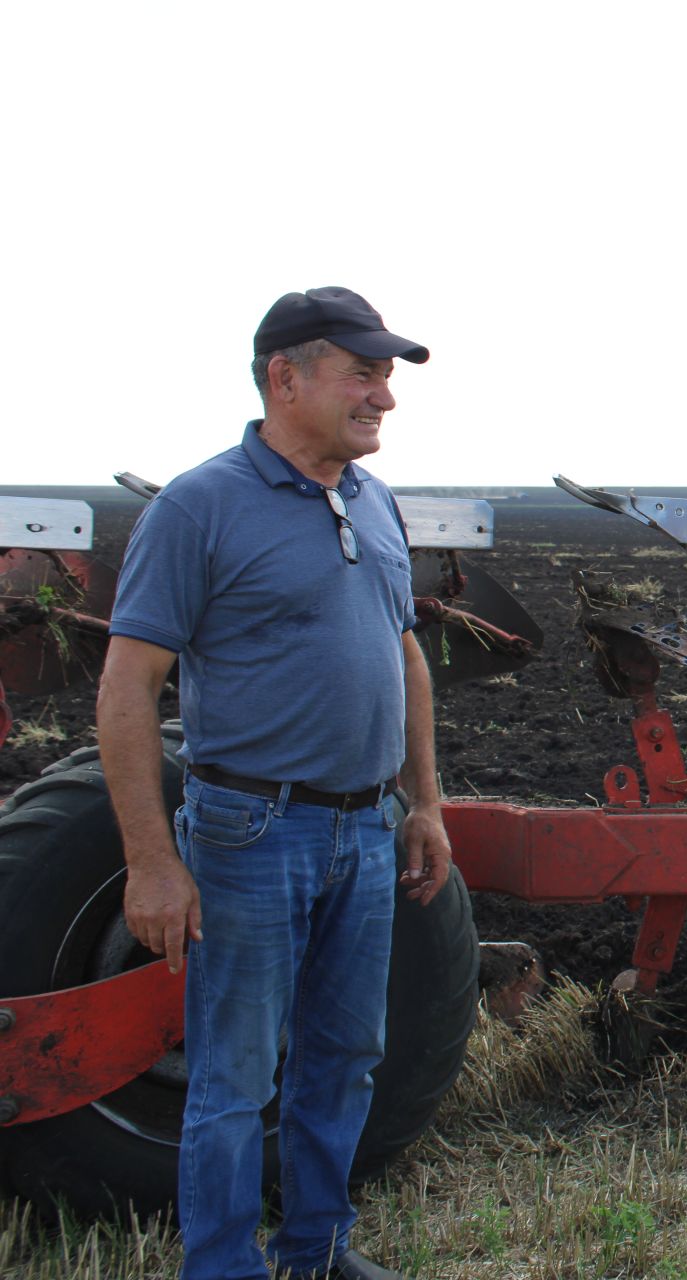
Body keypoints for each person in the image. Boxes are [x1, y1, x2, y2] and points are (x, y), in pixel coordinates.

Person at [97, 287, 452, 1280]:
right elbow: (129, 685)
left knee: (344, 1055)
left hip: (366, 828)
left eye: (386, 375)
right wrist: (150, 860)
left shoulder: (372, 500)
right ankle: (220, 1265)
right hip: (252, 828)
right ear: (283, 377)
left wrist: (422, 803)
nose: (384, 394)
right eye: (362, 371)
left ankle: (318, 1244)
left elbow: (406, 657)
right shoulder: (199, 506)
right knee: (235, 1075)